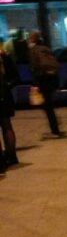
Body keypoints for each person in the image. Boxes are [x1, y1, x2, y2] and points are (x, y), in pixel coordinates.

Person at [27, 32, 66, 138]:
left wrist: (35, 84)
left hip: (43, 80)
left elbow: (34, 68)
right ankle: (55, 125)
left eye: (29, 39)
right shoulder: (45, 48)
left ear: (32, 40)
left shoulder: (33, 50)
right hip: (52, 80)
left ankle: (55, 130)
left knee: (47, 106)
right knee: (47, 105)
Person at [0, 45, 19, 174]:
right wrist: (6, 86)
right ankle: (12, 157)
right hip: (5, 96)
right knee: (7, 126)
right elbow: (16, 77)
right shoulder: (5, 56)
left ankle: (1, 162)